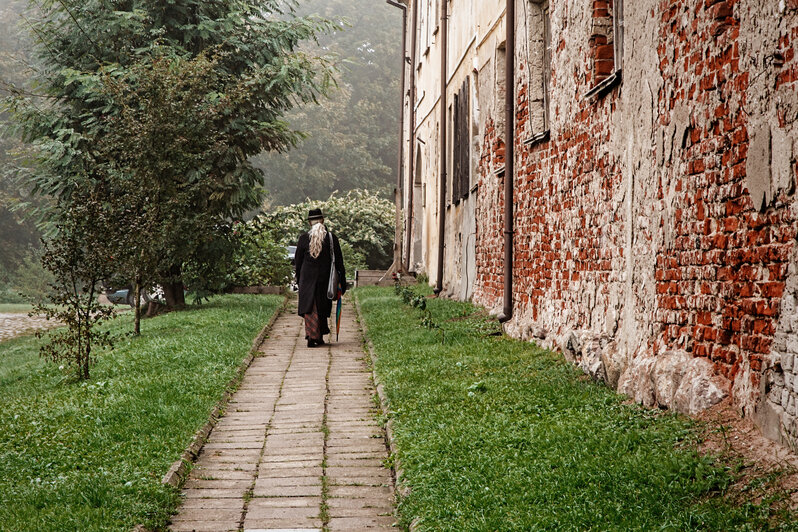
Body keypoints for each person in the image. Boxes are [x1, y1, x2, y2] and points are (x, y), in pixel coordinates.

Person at [295, 208, 346, 347]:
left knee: (310, 308)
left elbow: (298, 262)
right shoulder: (331, 238)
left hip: (307, 280)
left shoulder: (304, 238)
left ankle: (312, 335)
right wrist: (342, 281)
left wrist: (298, 279)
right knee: (321, 307)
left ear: (310, 223)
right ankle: (318, 335)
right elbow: (339, 262)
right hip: (325, 279)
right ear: (322, 221)